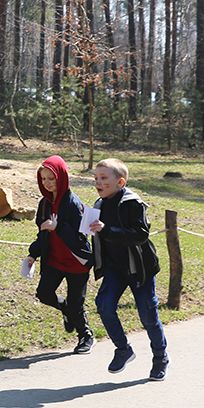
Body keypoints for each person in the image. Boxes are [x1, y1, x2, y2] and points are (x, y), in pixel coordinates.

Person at [89, 158, 169, 381]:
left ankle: (160, 357)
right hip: (114, 268)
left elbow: (140, 235)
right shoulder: (99, 205)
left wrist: (107, 230)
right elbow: (98, 239)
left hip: (139, 270)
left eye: (104, 178)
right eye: (96, 178)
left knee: (148, 316)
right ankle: (123, 349)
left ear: (120, 182)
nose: (98, 182)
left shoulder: (133, 204)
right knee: (104, 306)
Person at [26, 155, 95, 355]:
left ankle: (86, 336)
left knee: (76, 304)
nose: (47, 183)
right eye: (43, 179)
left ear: (62, 177)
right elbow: (42, 234)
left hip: (77, 262)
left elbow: (79, 238)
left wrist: (58, 227)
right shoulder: (44, 204)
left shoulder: (73, 203)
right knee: (44, 294)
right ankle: (67, 310)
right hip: (54, 260)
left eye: (51, 178)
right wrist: (33, 254)